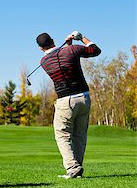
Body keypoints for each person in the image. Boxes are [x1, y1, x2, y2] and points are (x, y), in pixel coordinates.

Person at [36, 31, 101, 178]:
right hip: (84, 98)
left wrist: (68, 47)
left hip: (66, 101)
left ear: (41, 48)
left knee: (62, 135)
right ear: (53, 40)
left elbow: (61, 57)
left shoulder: (44, 62)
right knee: (79, 135)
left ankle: (72, 167)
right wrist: (80, 38)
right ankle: (76, 169)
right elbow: (95, 50)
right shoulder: (72, 50)